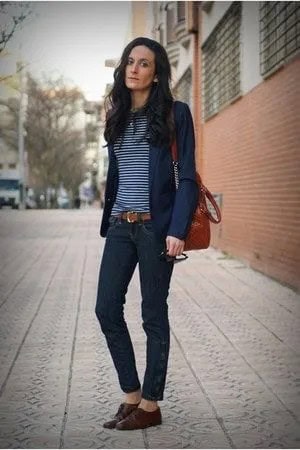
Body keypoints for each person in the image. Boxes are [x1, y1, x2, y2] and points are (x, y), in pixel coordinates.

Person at [95, 37, 198, 431]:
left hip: (158, 229)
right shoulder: (116, 115)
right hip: (122, 225)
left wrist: (178, 230)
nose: (134, 68)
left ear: (157, 75)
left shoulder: (176, 114)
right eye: (129, 62)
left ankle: (151, 406)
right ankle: (131, 396)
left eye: (144, 63)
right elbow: (118, 173)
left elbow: (186, 175)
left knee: (153, 315)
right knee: (106, 309)